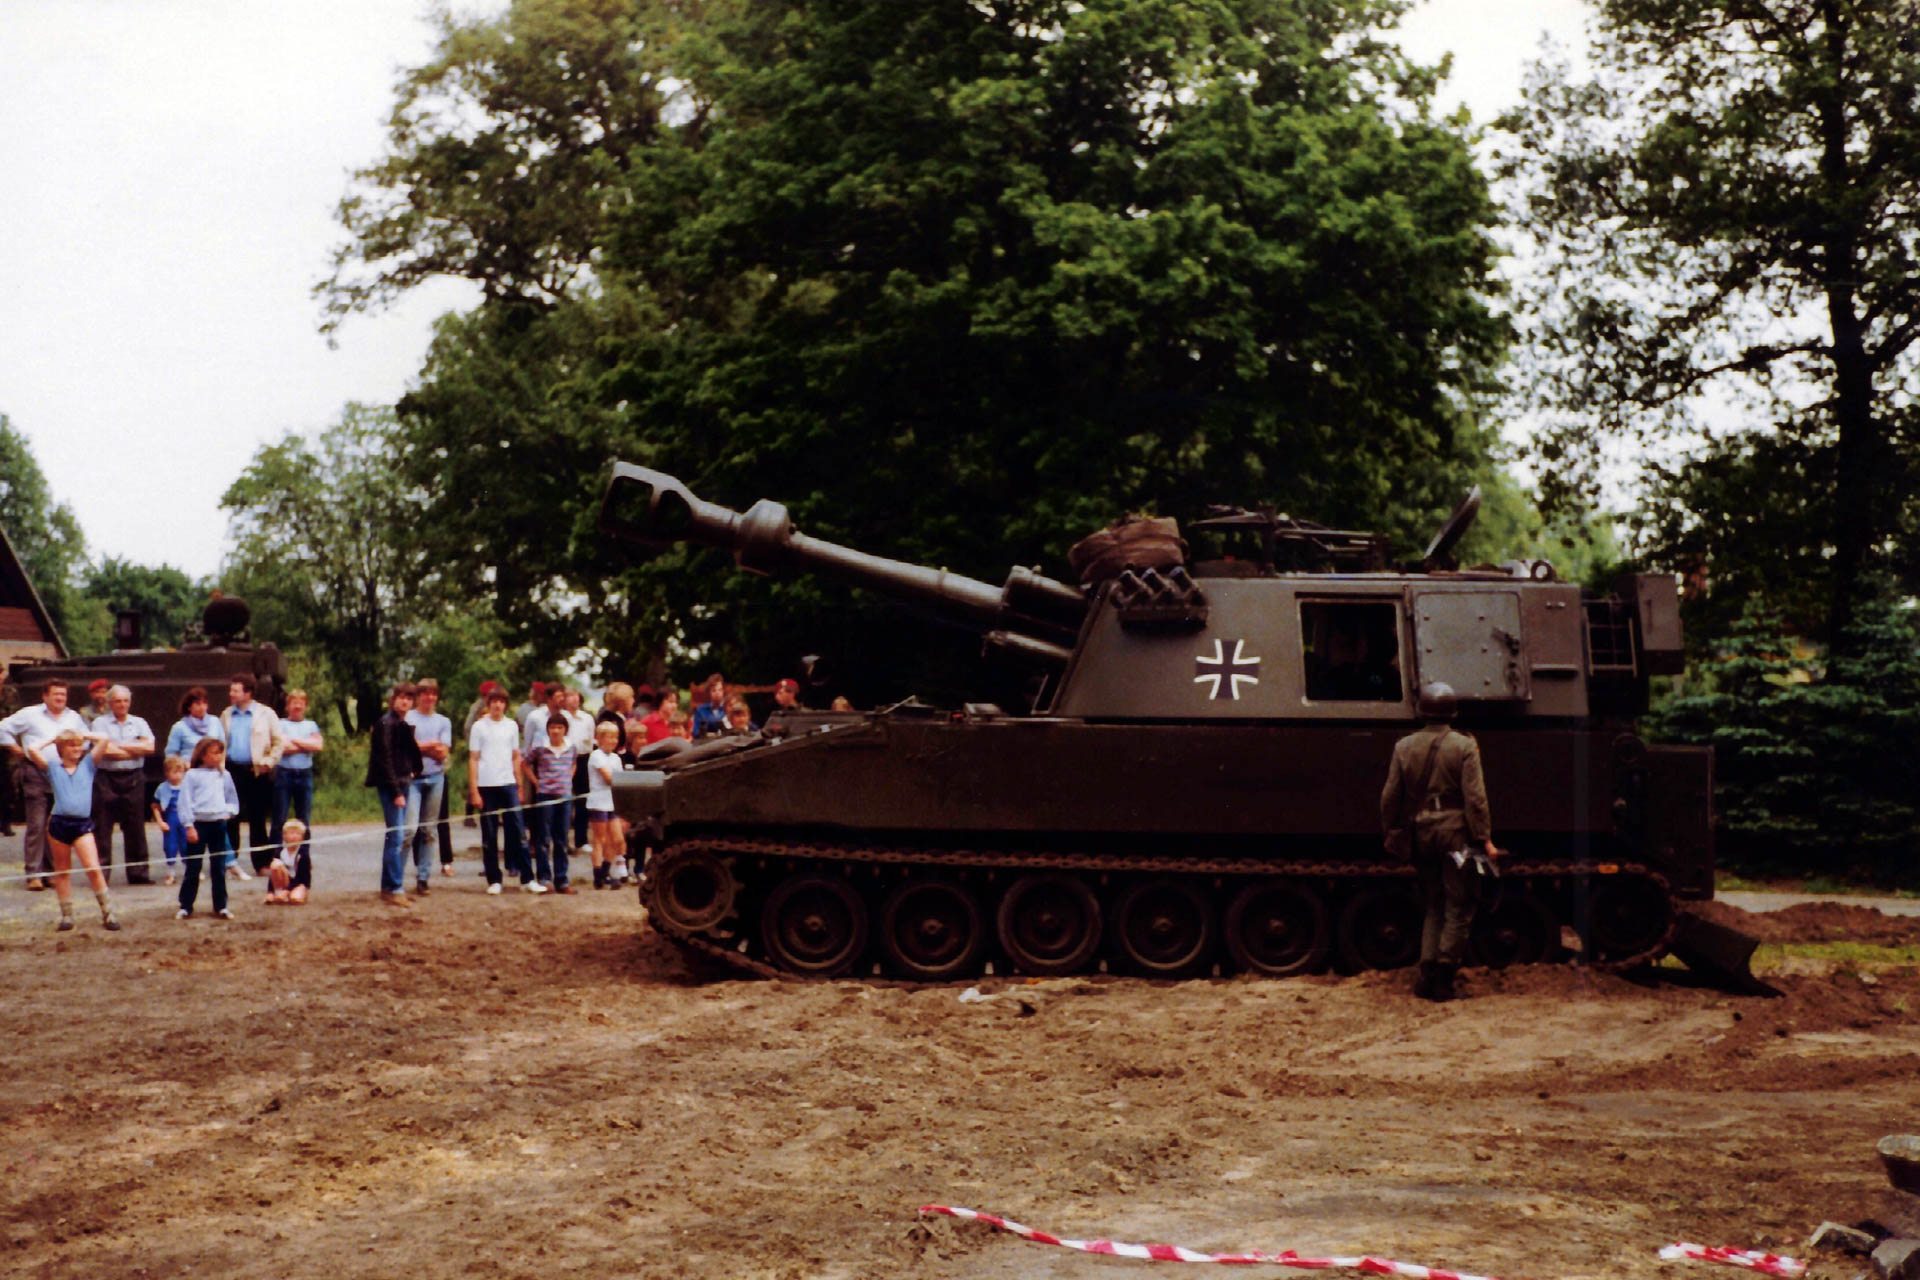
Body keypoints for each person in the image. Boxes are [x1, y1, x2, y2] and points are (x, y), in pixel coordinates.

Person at [1380, 681, 1497, 1003]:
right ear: (1452, 713)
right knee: (1458, 903)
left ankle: (1426, 975)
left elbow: (1390, 796)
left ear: (1422, 711)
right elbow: (1475, 799)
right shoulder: (1464, 746)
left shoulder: (1404, 746)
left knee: (1433, 903)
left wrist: (1391, 831)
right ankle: (1444, 979)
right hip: (1455, 833)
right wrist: (1484, 838)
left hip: (1422, 831)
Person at [30, 728, 125, 931]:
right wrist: (53, 739)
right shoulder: (52, 767)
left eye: (78, 745)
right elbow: (32, 749)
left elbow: (104, 738)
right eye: (71, 745)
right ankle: (67, 916)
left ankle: (108, 913)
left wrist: (84, 735)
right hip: (59, 824)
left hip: (81, 824)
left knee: (93, 867)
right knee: (62, 871)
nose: (76, 749)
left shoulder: (88, 765)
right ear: (61, 749)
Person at [0, 678, 89, 890]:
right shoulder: (30, 714)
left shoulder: (74, 718)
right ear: (45, 696)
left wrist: (75, 755)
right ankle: (34, 873)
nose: (60, 698)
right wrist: (15, 748)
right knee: (37, 823)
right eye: (56, 694)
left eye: (63, 695)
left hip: (62, 774)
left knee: (55, 823)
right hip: (35, 772)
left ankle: (51, 872)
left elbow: (85, 739)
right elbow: (2, 728)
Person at [467, 686, 536, 895]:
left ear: (505, 704)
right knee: (489, 836)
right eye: (494, 701)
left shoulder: (511, 726)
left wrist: (519, 785)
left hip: (508, 784)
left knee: (518, 832)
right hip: (486, 785)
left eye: (501, 701)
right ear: (488, 703)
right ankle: (494, 880)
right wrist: (474, 790)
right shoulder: (479, 727)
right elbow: (473, 759)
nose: (497, 705)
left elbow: (516, 756)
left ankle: (527, 878)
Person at [365, 683, 424, 909]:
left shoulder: (401, 723)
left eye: (409, 698)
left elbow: (409, 754)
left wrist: (414, 771)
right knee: (397, 837)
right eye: (401, 697)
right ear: (394, 699)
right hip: (392, 786)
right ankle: (395, 888)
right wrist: (396, 791)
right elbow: (384, 760)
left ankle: (388, 886)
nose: (405, 701)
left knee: (394, 837)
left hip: (403, 782)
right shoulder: (385, 723)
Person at [90, 684, 156, 885]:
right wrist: (135, 748)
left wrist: (119, 746)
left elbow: (150, 747)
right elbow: (104, 751)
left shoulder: (139, 722)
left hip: (134, 778)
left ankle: (138, 874)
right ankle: (101, 874)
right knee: (102, 827)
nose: (122, 704)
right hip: (106, 778)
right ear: (110, 703)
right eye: (118, 701)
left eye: (126, 700)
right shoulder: (99, 723)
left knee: (135, 827)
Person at [220, 674, 283, 875]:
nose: (231, 693)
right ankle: (230, 861)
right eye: (231, 690)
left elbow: (279, 742)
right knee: (231, 816)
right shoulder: (226, 715)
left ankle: (262, 863)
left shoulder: (266, 714)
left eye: (235, 690)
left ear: (248, 693)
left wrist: (269, 762)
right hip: (232, 770)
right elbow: (221, 743)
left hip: (256, 771)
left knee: (257, 818)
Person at [175, 737, 239, 920]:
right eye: (213, 753)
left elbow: (232, 798)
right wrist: (189, 826)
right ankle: (186, 905)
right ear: (203, 755)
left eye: (220, 753)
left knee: (218, 866)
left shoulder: (224, 775)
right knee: (194, 867)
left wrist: (228, 812)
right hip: (198, 824)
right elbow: (185, 801)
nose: (218, 757)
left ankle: (221, 906)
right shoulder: (192, 775)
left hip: (218, 823)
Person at [405, 678, 454, 890]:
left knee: (429, 829)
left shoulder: (443, 721)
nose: (429, 698)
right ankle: (396, 878)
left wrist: (420, 747)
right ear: (418, 696)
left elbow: (443, 752)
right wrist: (430, 745)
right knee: (409, 829)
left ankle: (423, 877)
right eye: (425, 693)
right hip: (413, 778)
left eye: (433, 694)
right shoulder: (408, 718)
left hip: (436, 777)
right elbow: (406, 747)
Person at [520, 714, 576, 893]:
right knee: (543, 838)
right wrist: (536, 782)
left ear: (565, 730)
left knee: (562, 838)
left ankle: (562, 879)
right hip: (545, 795)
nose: (556, 731)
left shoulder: (571, 747)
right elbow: (525, 764)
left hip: (564, 797)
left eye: (560, 727)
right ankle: (544, 877)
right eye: (553, 727)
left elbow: (574, 763)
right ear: (548, 730)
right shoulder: (540, 748)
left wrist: (568, 778)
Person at [271, 689, 323, 852]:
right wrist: (306, 745)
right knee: (280, 817)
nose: (298, 706)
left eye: (301, 703)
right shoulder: (280, 724)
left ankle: (303, 857)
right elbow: (282, 748)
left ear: (306, 706)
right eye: (294, 703)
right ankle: (277, 856)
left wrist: (293, 740)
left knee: (304, 818)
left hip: (304, 774)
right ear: (287, 706)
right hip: (284, 774)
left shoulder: (311, 725)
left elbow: (318, 746)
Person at [586, 720, 627, 888]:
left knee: (616, 839)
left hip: (612, 802)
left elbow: (620, 779)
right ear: (600, 738)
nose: (613, 741)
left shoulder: (616, 758)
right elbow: (609, 778)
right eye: (609, 737)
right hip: (598, 802)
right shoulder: (596, 756)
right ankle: (598, 875)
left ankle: (605, 871)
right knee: (600, 839)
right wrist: (620, 780)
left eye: (615, 737)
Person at [562, 688, 596, 852]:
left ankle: (581, 839)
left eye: (576, 696)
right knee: (564, 799)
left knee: (583, 800)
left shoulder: (587, 718)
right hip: (565, 760)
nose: (574, 699)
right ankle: (563, 840)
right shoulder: (562, 717)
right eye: (570, 696)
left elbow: (591, 740)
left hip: (583, 759)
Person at [151, 755, 190, 886]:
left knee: (186, 844)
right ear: (166, 773)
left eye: (180, 772)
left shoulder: (187, 786)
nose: (178, 775)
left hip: (185, 818)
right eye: (174, 772)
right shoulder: (162, 788)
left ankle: (189, 870)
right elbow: (155, 806)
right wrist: (160, 822)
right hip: (171, 818)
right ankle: (170, 872)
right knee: (170, 845)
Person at [265, 817, 312, 905]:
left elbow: (304, 879)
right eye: (291, 833)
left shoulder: (303, 854)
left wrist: (287, 891)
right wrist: (270, 891)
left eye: (298, 834)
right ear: (284, 836)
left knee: (295, 899)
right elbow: (272, 874)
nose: (294, 836)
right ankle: (277, 891)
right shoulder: (279, 852)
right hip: (284, 880)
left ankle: (287, 893)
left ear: (302, 837)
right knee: (275, 865)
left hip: (299, 883)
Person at [691, 674, 728, 739]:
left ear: (723, 691)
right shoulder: (701, 710)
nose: (717, 693)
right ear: (709, 692)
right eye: (714, 690)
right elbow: (695, 732)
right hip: (706, 742)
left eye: (720, 690)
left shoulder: (728, 708)